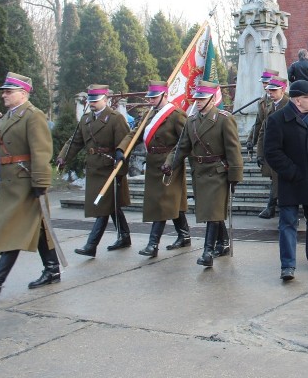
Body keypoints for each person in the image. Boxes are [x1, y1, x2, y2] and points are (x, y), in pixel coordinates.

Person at [0, 73, 59, 296]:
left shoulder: (33, 116)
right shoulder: (5, 118)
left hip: (26, 183)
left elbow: (42, 151)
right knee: (39, 226)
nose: (3, 95)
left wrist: (41, 181)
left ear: (23, 94)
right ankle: (52, 269)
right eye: (3, 91)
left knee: (13, 229)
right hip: (12, 184)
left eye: (8, 91)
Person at [162, 81, 244, 267]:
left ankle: (207, 252)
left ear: (212, 99)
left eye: (202, 99)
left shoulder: (224, 119)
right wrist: (169, 164)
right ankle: (223, 243)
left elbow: (233, 149)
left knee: (212, 212)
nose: (198, 102)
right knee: (212, 211)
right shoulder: (191, 121)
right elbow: (182, 147)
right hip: (200, 172)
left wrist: (235, 176)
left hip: (218, 172)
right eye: (197, 98)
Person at [263, 80, 308, 281]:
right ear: (297, 100)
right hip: (291, 181)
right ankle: (287, 265)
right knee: (287, 224)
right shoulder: (277, 119)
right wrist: (291, 172)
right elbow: (272, 151)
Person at [116, 81, 190, 258]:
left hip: (170, 165)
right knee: (172, 202)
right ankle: (185, 235)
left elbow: (184, 142)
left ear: (164, 96)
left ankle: (153, 244)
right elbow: (135, 133)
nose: (150, 101)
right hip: (153, 164)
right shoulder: (149, 115)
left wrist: (172, 161)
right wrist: (122, 148)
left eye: (154, 97)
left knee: (163, 202)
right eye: (149, 98)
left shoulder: (176, 115)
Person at [57, 85, 132, 257]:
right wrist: (63, 157)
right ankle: (125, 236)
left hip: (110, 168)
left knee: (102, 207)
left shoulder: (116, 118)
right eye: (90, 100)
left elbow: (126, 145)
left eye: (95, 100)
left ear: (105, 100)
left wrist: (121, 171)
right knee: (110, 206)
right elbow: (75, 142)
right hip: (94, 168)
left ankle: (91, 245)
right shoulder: (85, 120)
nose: (91, 103)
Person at [254, 77, 290, 219]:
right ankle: (279, 211)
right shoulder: (270, 107)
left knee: (285, 185)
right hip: (274, 154)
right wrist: (260, 153)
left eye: (274, 90)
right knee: (276, 183)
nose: (271, 93)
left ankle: (290, 214)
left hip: (287, 154)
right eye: (270, 90)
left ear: (283, 90)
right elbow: (263, 130)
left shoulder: (289, 105)